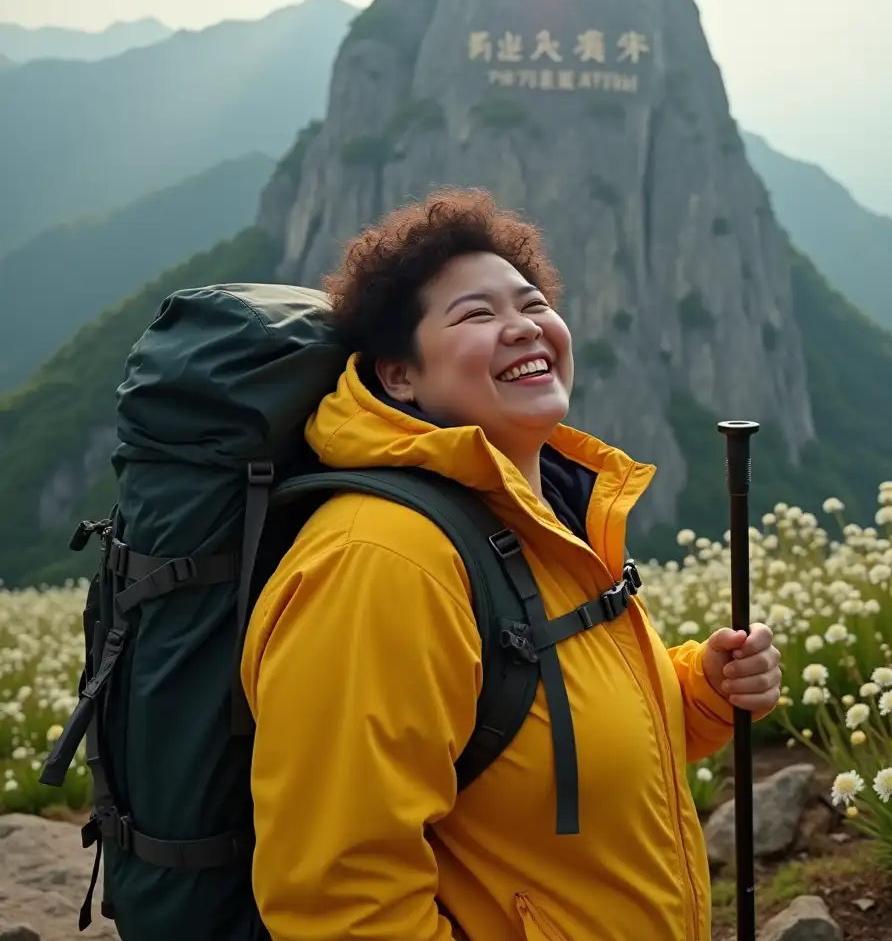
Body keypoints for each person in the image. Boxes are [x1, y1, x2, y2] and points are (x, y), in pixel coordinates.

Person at [240, 188, 782, 941]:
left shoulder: (548, 511)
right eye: (476, 315)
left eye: (531, 303)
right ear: (401, 376)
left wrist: (703, 691)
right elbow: (341, 897)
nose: (522, 327)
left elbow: (552, 741)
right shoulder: (383, 561)